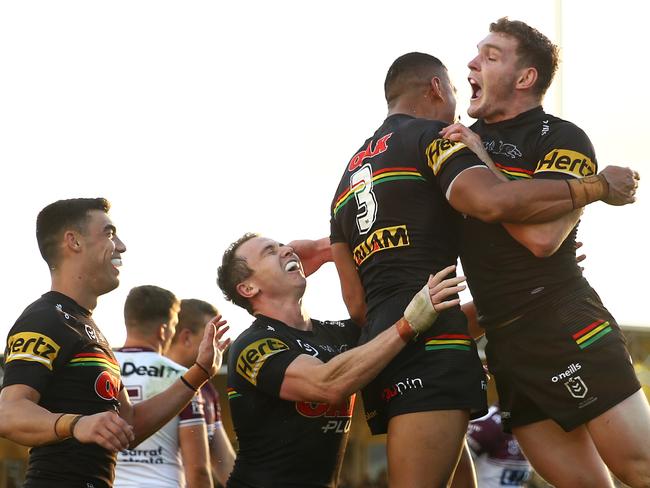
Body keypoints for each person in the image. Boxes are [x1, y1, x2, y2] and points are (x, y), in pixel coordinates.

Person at [328, 52, 639, 487]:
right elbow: (492, 202)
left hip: (386, 351)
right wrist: (597, 187)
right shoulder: (435, 136)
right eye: (453, 86)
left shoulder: (345, 180)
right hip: (438, 352)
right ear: (437, 89)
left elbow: (356, 303)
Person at [438, 18, 649, 487]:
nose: (472, 63)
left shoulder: (561, 137)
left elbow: (541, 239)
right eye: (477, 53)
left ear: (525, 77)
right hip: (507, 346)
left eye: (491, 56)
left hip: (562, 319)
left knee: (640, 468)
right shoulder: (458, 141)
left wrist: (484, 163)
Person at [0, 198, 229, 488]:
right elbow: (8, 413)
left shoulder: (88, 327)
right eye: (109, 233)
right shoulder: (44, 319)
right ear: (74, 241)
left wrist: (199, 372)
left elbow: (128, 425)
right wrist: (76, 424)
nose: (120, 246)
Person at [216, 232, 466, 488]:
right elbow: (326, 384)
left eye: (283, 246)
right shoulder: (251, 345)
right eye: (270, 251)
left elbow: (420, 331)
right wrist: (405, 326)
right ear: (248, 288)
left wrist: (452, 354)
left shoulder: (340, 333)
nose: (286, 250)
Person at [113, 285, 212, 488]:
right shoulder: (184, 378)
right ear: (163, 330)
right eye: (174, 325)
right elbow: (198, 469)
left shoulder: (102, 368)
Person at [166, 298, 236, 486]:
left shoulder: (206, 389)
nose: (219, 347)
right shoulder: (157, 381)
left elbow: (226, 464)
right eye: (212, 338)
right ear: (186, 337)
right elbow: (198, 472)